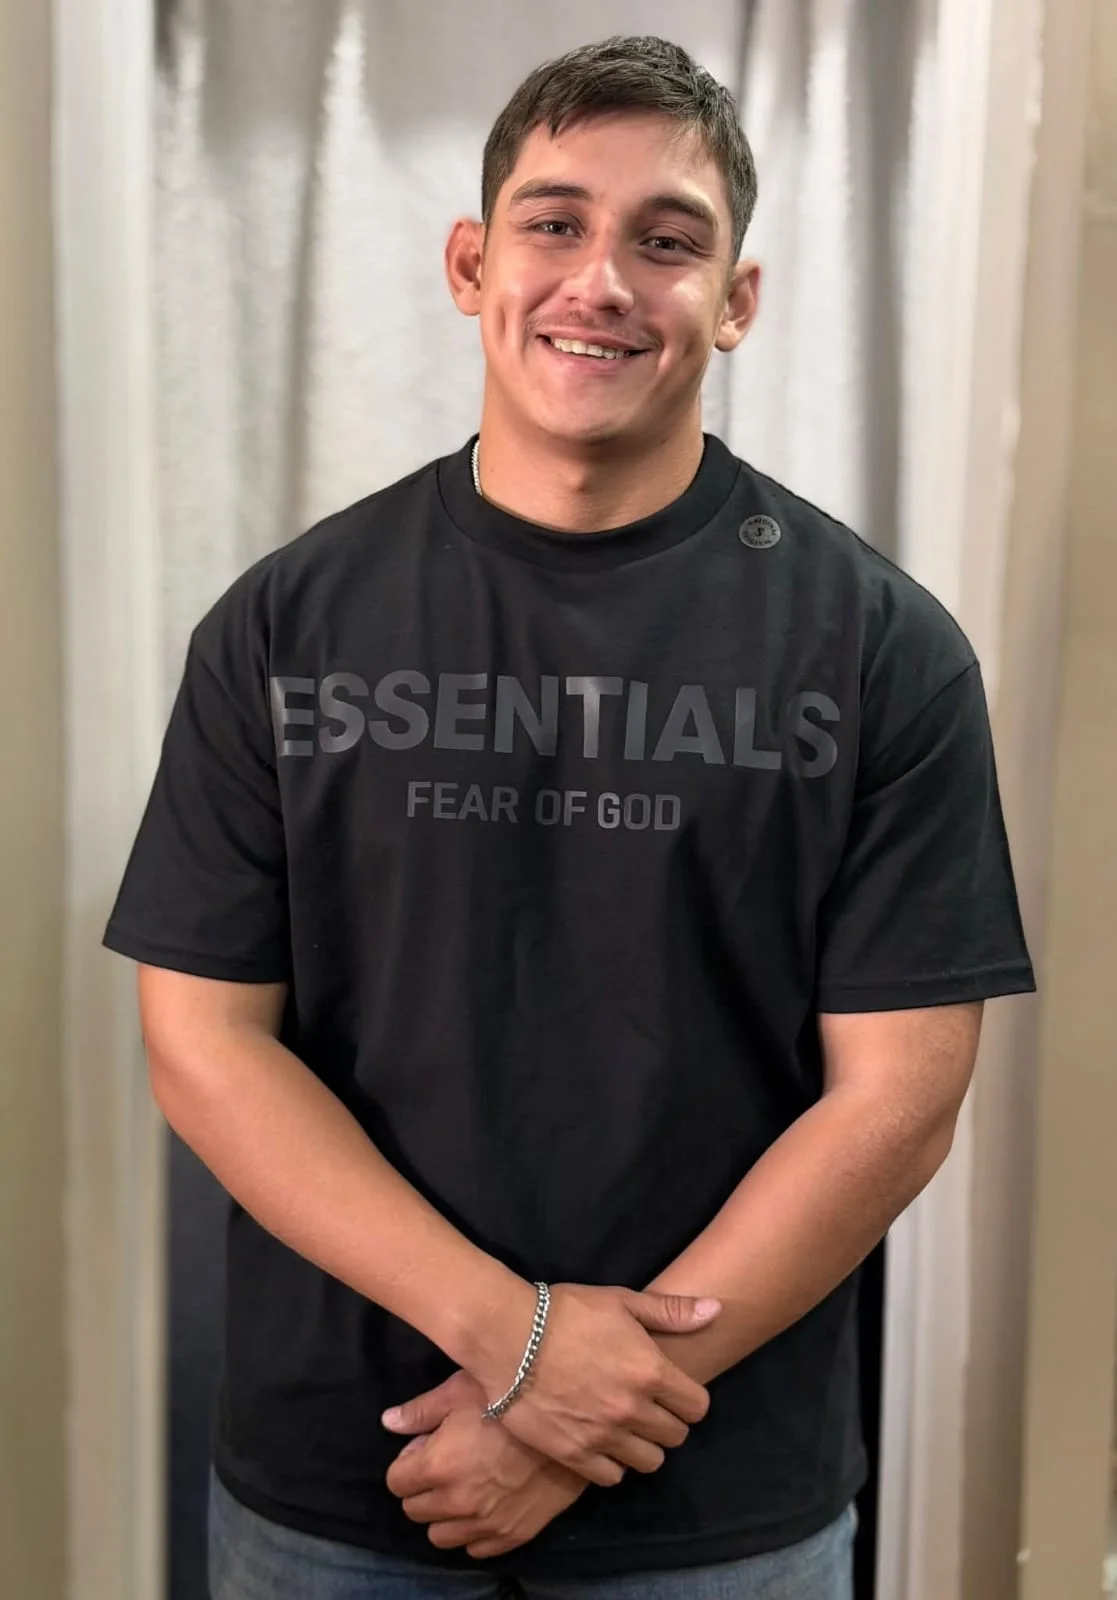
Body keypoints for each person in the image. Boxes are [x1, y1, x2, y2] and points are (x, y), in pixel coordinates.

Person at [104, 33, 1036, 1600]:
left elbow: (899, 1094)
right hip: (347, 1475)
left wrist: (590, 1404)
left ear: (736, 299)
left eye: (668, 240)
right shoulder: (284, 624)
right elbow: (204, 1042)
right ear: (471, 265)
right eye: (555, 224)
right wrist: (523, 1342)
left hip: (717, 1490)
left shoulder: (882, 648)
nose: (602, 281)